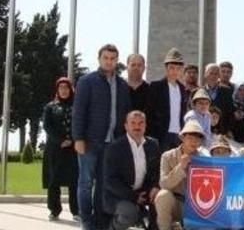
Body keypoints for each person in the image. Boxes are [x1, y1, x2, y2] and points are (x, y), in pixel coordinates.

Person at [73, 44, 131, 230]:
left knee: (103, 185)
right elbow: (79, 112)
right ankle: (87, 221)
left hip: (111, 144)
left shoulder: (122, 85)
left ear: (117, 61)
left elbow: (125, 114)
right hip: (89, 142)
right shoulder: (86, 81)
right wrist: (78, 138)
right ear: (99, 59)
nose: (109, 61)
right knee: (85, 183)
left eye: (113, 58)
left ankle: (99, 222)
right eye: (106, 58)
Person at [102, 111, 161, 230]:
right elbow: (110, 181)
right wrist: (133, 196)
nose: (137, 126)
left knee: (162, 201)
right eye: (133, 123)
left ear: (145, 125)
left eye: (140, 123)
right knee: (129, 212)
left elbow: (157, 171)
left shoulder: (153, 144)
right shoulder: (115, 147)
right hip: (118, 195)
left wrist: (155, 186)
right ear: (126, 126)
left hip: (144, 192)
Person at [154, 120, 205, 230]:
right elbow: (164, 184)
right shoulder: (167, 156)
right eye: (190, 138)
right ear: (182, 138)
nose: (194, 142)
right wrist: (181, 166)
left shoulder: (203, 160)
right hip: (175, 203)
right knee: (163, 195)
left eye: (198, 139)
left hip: (195, 206)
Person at [42, 77, 79, 221]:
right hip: (55, 149)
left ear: (71, 89)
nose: (64, 91)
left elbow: (80, 124)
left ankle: (76, 211)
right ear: (57, 90)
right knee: (54, 181)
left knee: (74, 181)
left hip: (73, 149)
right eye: (61, 88)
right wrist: (60, 141)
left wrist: (73, 140)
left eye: (67, 88)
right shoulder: (50, 107)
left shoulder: (77, 106)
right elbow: (47, 126)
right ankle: (54, 210)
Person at [146, 48, 189, 150]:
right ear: (166, 68)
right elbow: (149, 112)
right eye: (172, 68)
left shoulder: (183, 89)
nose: (175, 71)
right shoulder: (156, 86)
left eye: (178, 68)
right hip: (160, 135)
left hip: (178, 134)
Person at [203, 63, 235, 130]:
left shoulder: (226, 91)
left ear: (219, 76)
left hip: (221, 132)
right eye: (211, 73)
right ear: (205, 74)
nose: (213, 76)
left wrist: (228, 130)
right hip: (202, 131)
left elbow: (230, 113)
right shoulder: (198, 92)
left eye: (216, 74)